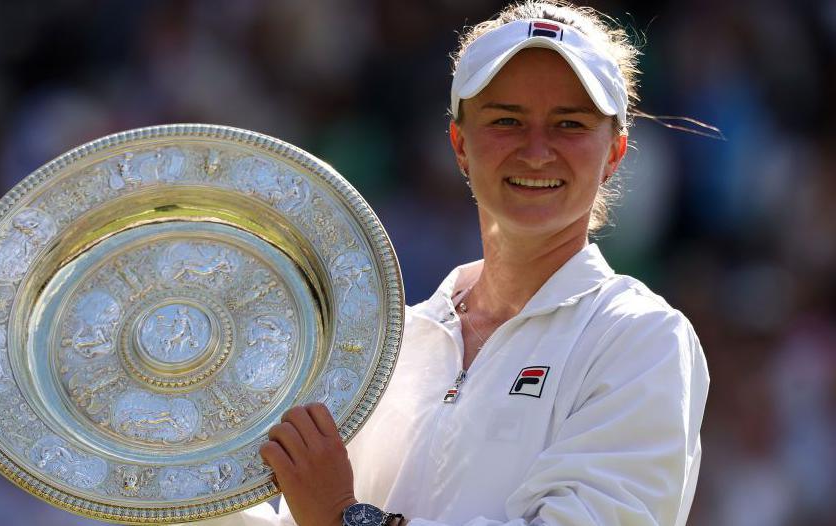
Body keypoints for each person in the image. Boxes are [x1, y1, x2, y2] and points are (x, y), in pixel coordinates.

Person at [197, 1, 709, 525]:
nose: (536, 152)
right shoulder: (386, 346)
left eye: (569, 124)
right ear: (460, 144)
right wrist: (168, 473)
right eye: (507, 120)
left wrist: (342, 516)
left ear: (615, 152)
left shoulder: (641, 337)